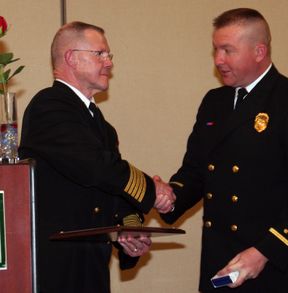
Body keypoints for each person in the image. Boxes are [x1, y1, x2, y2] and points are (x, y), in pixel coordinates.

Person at [160, 8, 288, 293]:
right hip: (222, 262)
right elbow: (196, 171)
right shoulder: (214, 101)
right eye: (216, 49)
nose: (218, 60)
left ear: (259, 51)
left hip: (276, 266)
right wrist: (167, 196)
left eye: (228, 50)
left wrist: (264, 251)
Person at [19, 21, 174, 293]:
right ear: (71, 58)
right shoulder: (49, 106)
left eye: (109, 55)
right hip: (56, 266)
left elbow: (112, 193)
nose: (109, 63)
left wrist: (129, 232)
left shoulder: (101, 125)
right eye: (100, 54)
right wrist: (153, 189)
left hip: (92, 266)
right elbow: (96, 168)